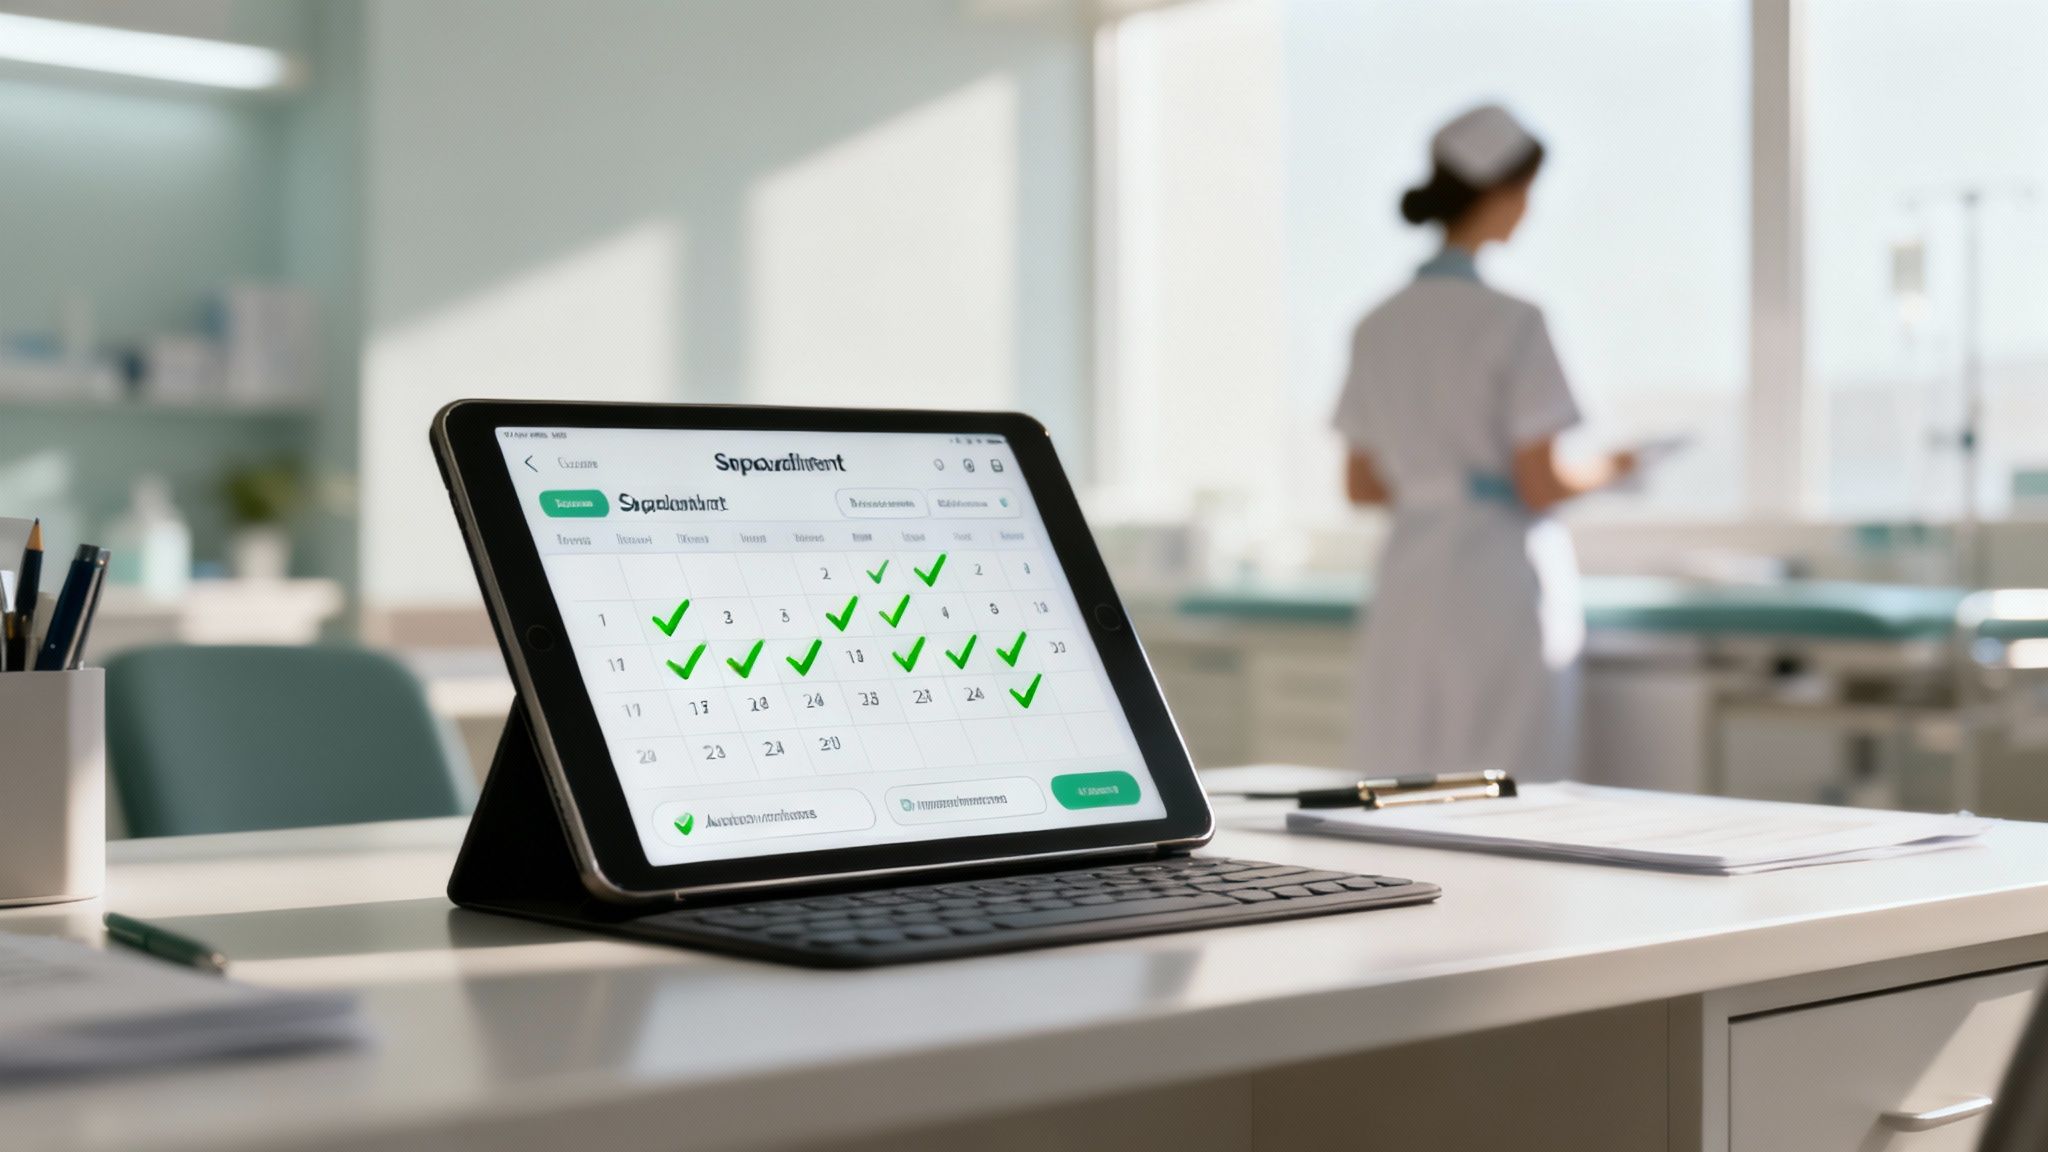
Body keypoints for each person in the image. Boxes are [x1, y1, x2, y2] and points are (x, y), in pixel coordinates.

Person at [1331, 104, 1635, 782]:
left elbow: (1362, 485)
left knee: (1399, 774)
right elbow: (1540, 483)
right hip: (1495, 577)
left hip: (1410, 573)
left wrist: (1429, 478)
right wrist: (1616, 468)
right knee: (1505, 780)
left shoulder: (1377, 325)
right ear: (1501, 194)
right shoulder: (1514, 322)